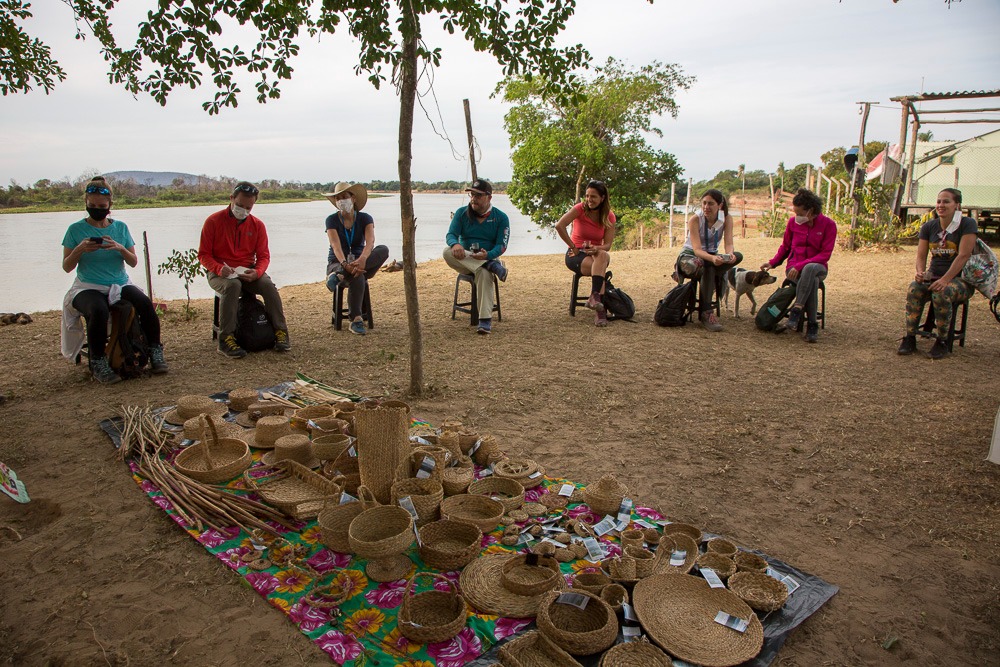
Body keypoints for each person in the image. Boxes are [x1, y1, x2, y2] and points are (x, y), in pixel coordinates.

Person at [61, 176, 167, 383]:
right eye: (92, 206)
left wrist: (119, 248)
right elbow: (67, 266)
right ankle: (98, 361)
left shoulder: (120, 228)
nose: (97, 210)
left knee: (145, 303)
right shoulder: (75, 230)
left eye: (102, 206)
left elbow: (133, 262)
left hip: (119, 283)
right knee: (98, 310)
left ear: (110, 205)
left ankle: (155, 350)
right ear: (86, 203)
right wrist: (80, 249)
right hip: (87, 285)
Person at [198, 182, 290, 357]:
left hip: (248, 270)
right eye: (240, 205)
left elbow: (264, 256)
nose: (244, 210)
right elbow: (203, 254)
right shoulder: (213, 221)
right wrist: (218, 268)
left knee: (268, 286)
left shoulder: (257, 225)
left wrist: (257, 272)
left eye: (249, 207)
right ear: (231, 198)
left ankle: (280, 331)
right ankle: (226, 339)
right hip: (220, 272)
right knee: (233, 286)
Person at [897, 188, 977, 359]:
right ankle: (910, 337)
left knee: (942, 292)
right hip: (934, 277)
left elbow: (963, 255)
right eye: (939, 201)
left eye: (946, 201)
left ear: (957, 205)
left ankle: (942, 341)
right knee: (914, 288)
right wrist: (920, 272)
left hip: (960, 280)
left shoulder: (967, 224)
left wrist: (946, 279)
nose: (941, 205)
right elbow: (921, 255)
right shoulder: (929, 226)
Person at [761, 188, 836, 343]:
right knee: (812, 281)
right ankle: (812, 325)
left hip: (818, 267)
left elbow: (825, 254)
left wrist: (801, 265)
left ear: (811, 211)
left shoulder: (829, 225)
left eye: (800, 213)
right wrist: (773, 262)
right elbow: (786, 247)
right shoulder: (792, 223)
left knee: (810, 269)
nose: (797, 217)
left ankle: (797, 308)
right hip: (793, 269)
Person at [443, 179, 510, 335]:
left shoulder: (501, 217)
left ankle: (485, 320)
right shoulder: (461, 213)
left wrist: (488, 255)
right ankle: (491, 265)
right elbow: (451, 234)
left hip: (488, 256)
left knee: (484, 274)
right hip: (465, 260)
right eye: (472, 195)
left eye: (478, 196)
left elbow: (502, 245)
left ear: (489, 197)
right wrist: (455, 244)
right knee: (447, 252)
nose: (474, 198)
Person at [323, 182, 389, 335]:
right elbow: (335, 245)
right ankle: (356, 319)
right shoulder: (331, 220)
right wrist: (344, 264)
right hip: (337, 263)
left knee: (383, 249)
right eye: (338, 198)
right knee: (358, 276)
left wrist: (362, 259)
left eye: (344, 197)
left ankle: (340, 276)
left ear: (353, 198)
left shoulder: (365, 218)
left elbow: (370, 242)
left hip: (363, 262)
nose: (341, 200)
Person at [676, 189, 743, 332]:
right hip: (691, 257)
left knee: (738, 256)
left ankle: (706, 312)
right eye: (704, 203)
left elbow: (729, 243)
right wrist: (712, 258)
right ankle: (706, 312)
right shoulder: (695, 220)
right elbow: (697, 250)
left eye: (711, 204)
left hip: (711, 257)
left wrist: (730, 254)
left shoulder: (726, 219)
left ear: (720, 205)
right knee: (707, 265)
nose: (706, 207)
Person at [555, 180, 617, 327]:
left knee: (603, 255)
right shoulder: (580, 209)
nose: (589, 199)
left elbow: (607, 245)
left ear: (602, 198)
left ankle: (594, 296)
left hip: (595, 254)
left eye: (593, 196)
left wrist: (596, 248)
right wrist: (573, 246)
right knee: (600, 269)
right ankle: (599, 311)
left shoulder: (609, 216)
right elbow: (559, 225)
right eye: (587, 196)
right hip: (576, 255)